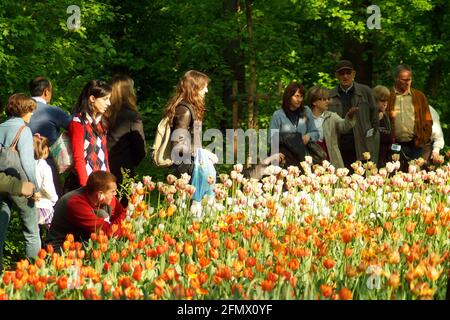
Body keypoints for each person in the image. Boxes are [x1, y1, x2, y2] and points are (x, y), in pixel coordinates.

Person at [0, 93, 41, 272]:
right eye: (30, 111)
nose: (31, 115)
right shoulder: (23, 130)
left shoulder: (0, 127)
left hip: (2, 183)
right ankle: (35, 273)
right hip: (20, 184)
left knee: (1, 229)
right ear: (24, 110)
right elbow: (28, 163)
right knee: (31, 231)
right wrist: (35, 188)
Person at [48, 171, 125, 251]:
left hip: (81, 241)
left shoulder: (106, 198)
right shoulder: (76, 203)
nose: (115, 194)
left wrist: (131, 212)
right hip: (61, 248)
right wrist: (128, 211)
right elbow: (107, 233)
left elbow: (121, 218)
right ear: (100, 195)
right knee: (101, 242)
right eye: (112, 191)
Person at [328, 60, 379, 168]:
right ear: (337, 76)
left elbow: (374, 117)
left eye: (348, 73)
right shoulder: (330, 95)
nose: (345, 76)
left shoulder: (365, 91)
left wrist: (371, 136)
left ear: (354, 74)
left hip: (362, 144)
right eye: (342, 73)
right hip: (339, 144)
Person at [163, 70, 213, 178]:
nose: (206, 90)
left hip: (191, 165)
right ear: (195, 88)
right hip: (185, 169)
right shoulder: (184, 111)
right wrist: (202, 152)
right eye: (204, 86)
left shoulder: (192, 109)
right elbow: (177, 146)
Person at [64, 80, 112, 193]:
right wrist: (86, 188)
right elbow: (78, 158)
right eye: (105, 99)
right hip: (86, 186)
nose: (109, 103)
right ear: (92, 98)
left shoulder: (101, 122)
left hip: (102, 184)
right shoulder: (77, 123)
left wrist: (109, 182)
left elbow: (104, 156)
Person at [29, 77, 72, 196]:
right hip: (47, 162)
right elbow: (74, 125)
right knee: (55, 199)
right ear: (46, 92)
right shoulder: (51, 111)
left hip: (22, 163)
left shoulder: (22, 110)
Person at [386, 64, 433, 167]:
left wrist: (423, 138)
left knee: (415, 176)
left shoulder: (419, 97)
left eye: (409, 79)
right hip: (394, 145)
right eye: (404, 79)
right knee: (395, 176)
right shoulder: (388, 96)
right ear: (396, 79)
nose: (407, 82)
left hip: (415, 145)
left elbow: (428, 119)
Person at [106, 75, 146, 193]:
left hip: (102, 167)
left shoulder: (103, 114)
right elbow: (140, 150)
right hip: (123, 171)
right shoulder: (132, 116)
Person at [269, 82, 319, 167]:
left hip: (303, 158)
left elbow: (315, 133)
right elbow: (271, 139)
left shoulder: (306, 111)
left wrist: (309, 136)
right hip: (284, 159)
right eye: (296, 96)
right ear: (289, 96)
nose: (299, 99)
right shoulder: (278, 115)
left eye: (301, 96)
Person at [308, 86, 357, 168]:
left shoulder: (332, 116)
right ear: (314, 102)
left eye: (328, 99)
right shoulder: (305, 118)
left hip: (330, 156)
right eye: (323, 99)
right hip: (311, 157)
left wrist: (350, 117)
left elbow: (344, 127)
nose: (327, 101)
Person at [33, 134, 58, 230]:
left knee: (33, 232)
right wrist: (54, 199)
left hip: (31, 204)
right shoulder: (44, 166)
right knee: (54, 231)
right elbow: (47, 187)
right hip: (44, 204)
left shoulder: (28, 163)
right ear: (44, 149)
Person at [372, 85, 393, 168]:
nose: (385, 104)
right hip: (373, 157)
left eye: (387, 101)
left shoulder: (385, 116)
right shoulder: (369, 115)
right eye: (382, 101)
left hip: (384, 157)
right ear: (375, 100)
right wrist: (376, 120)